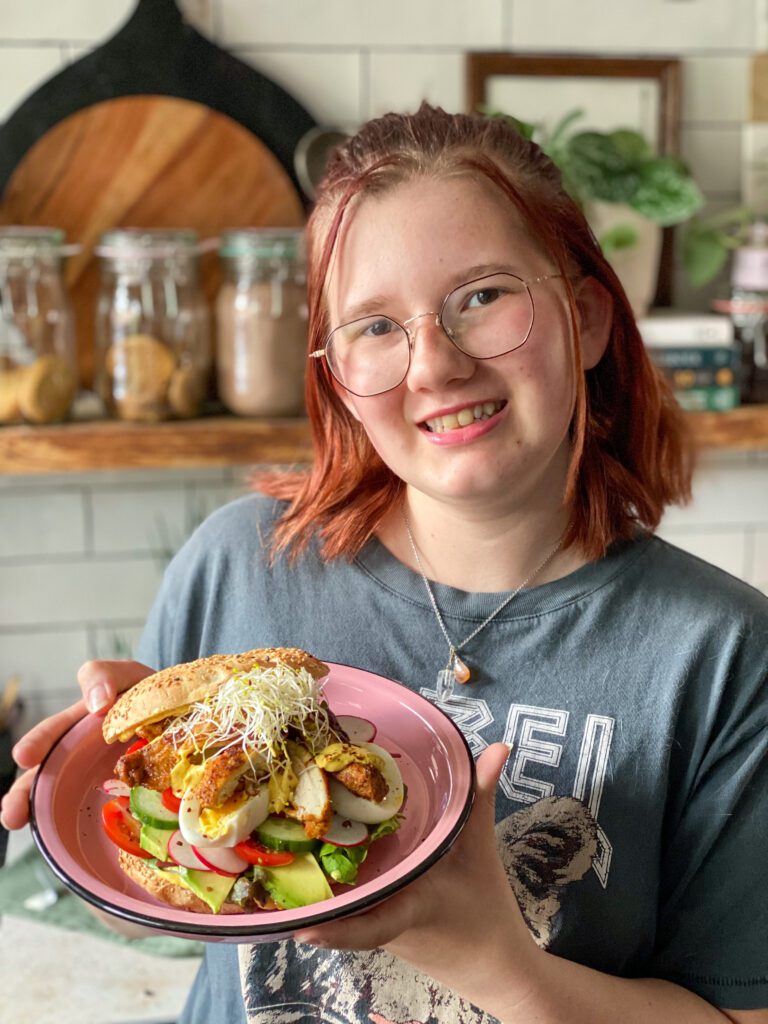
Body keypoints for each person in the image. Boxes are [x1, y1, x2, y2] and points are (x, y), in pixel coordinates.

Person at [2, 103, 767, 1024]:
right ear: (336, 381)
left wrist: (492, 961)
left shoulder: (725, 655)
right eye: (375, 326)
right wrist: (112, 810)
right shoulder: (237, 565)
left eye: (483, 295)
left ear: (589, 317)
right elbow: (150, 916)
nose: (434, 367)